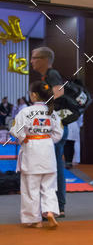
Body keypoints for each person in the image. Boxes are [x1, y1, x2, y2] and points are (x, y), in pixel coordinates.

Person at [11, 81, 63, 228]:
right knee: (49, 186)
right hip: (48, 150)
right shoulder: (52, 112)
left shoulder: (25, 112)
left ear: (33, 95)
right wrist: (46, 140)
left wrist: (24, 138)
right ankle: (50, 211)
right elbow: (58, 134)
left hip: (31, 150)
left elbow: (16, 131)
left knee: (30, 188)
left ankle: (35, 220)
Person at [30, 46, 68, 217]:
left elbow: (59, 92)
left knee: (55, 166)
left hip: (56, 127)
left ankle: (58, 206)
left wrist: (42, 107)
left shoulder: (52, 74)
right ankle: (55, 205)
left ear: (45, 59)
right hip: (54, 126)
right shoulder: (47, 76)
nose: (31, 61)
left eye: (34, 58)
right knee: (53, 165)